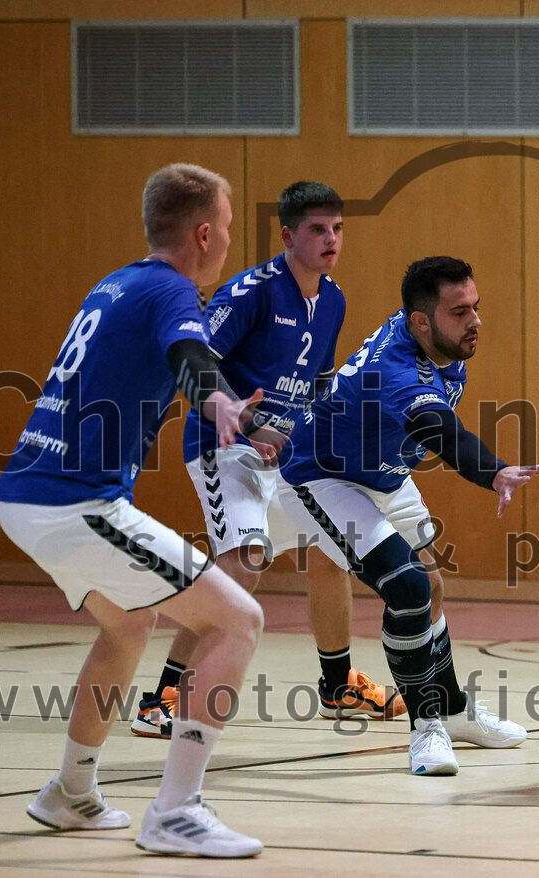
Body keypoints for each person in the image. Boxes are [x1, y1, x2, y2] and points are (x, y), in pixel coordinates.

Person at [0, 163, 269, 856]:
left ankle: (69, 793)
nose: (230, 241)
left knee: (129, 623)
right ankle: (176, 812)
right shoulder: (171, 291)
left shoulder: (116, 282)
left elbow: (176, 356)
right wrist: (219, 402)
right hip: (72, 501)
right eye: (229, 229)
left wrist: (228, 406)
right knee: (239, 618)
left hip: (27, 493)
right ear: (204, 233)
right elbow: (189, 356)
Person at [130, 181, 404, 740]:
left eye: (338, 229)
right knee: (245, 561)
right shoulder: (252, 291)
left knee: (332, 547)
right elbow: (196, 360)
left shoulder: (333, 299)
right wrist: (247, 421)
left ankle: (337, 686)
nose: (331, 240)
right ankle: (163, 695)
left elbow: (321, 380)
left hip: (284, 452)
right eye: (317, 230)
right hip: (223, 444)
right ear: (288, 235)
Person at [277, 256, 539, 775]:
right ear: (421, 321)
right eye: (459, 311)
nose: (474, 321)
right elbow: (437, 430)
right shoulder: (398, 369)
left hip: (383, 470)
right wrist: (493, 471)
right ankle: (427, 729)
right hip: (323, 476)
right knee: (407, 588)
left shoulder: (437, 338)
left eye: (475, 307)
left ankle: (453, 710)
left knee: (432, 585)